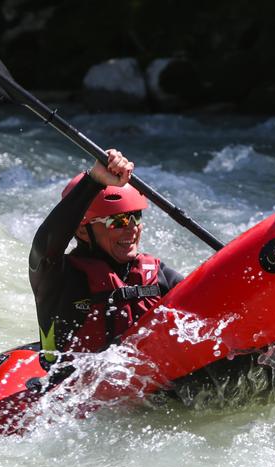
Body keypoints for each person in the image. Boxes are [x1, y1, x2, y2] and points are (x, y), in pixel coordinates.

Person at [29, 149, 184, 372]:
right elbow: (44, 247)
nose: (132, 229)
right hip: (71, 385)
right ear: (82, 230)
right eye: (118, 221)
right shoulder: (59, 277)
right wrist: (94, 180)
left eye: (136, 217)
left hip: (151, 380)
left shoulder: (158, 274)